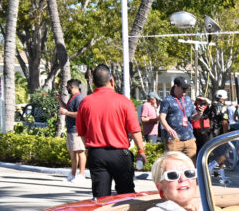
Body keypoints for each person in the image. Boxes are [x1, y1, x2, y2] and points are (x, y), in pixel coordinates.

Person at [74, 64, 145, 198]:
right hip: (120, 154)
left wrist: (89, 150)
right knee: (126, 195)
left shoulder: (85, 103)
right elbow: (134, 130)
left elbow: (82, 132)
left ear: (93, 83)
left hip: (97, 153)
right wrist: (141, 151)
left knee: (101, 197)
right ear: (111, 80)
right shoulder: (124, 102)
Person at [140, 151, 206, 211]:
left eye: (189, 173)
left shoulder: (208, 206)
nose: (183, 179)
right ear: (160, 187)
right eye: (172, 175)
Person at [158, 76, 197, 160]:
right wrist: (169, 129)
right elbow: (161, 117)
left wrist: (200, 114)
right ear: (176, 86)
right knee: (173, 164)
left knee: (191, 164)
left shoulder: (188, 99)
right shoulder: (167, 100)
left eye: (186, 88)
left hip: (189, 140)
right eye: (183, 88)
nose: (185, 91)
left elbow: (194, 117)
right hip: (174, 141)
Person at [57, 79, 87, 182]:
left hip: (77, 129)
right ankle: (73, 174)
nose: (66, 88)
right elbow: (67, 109)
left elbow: (80, 114)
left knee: (80, 152)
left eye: (67, 87)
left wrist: (67, 113)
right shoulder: (73, 98)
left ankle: (81, 175)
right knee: (73, 152)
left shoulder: (79, 98)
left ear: (72, 86)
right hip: (71, 129)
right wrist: (60, 100)